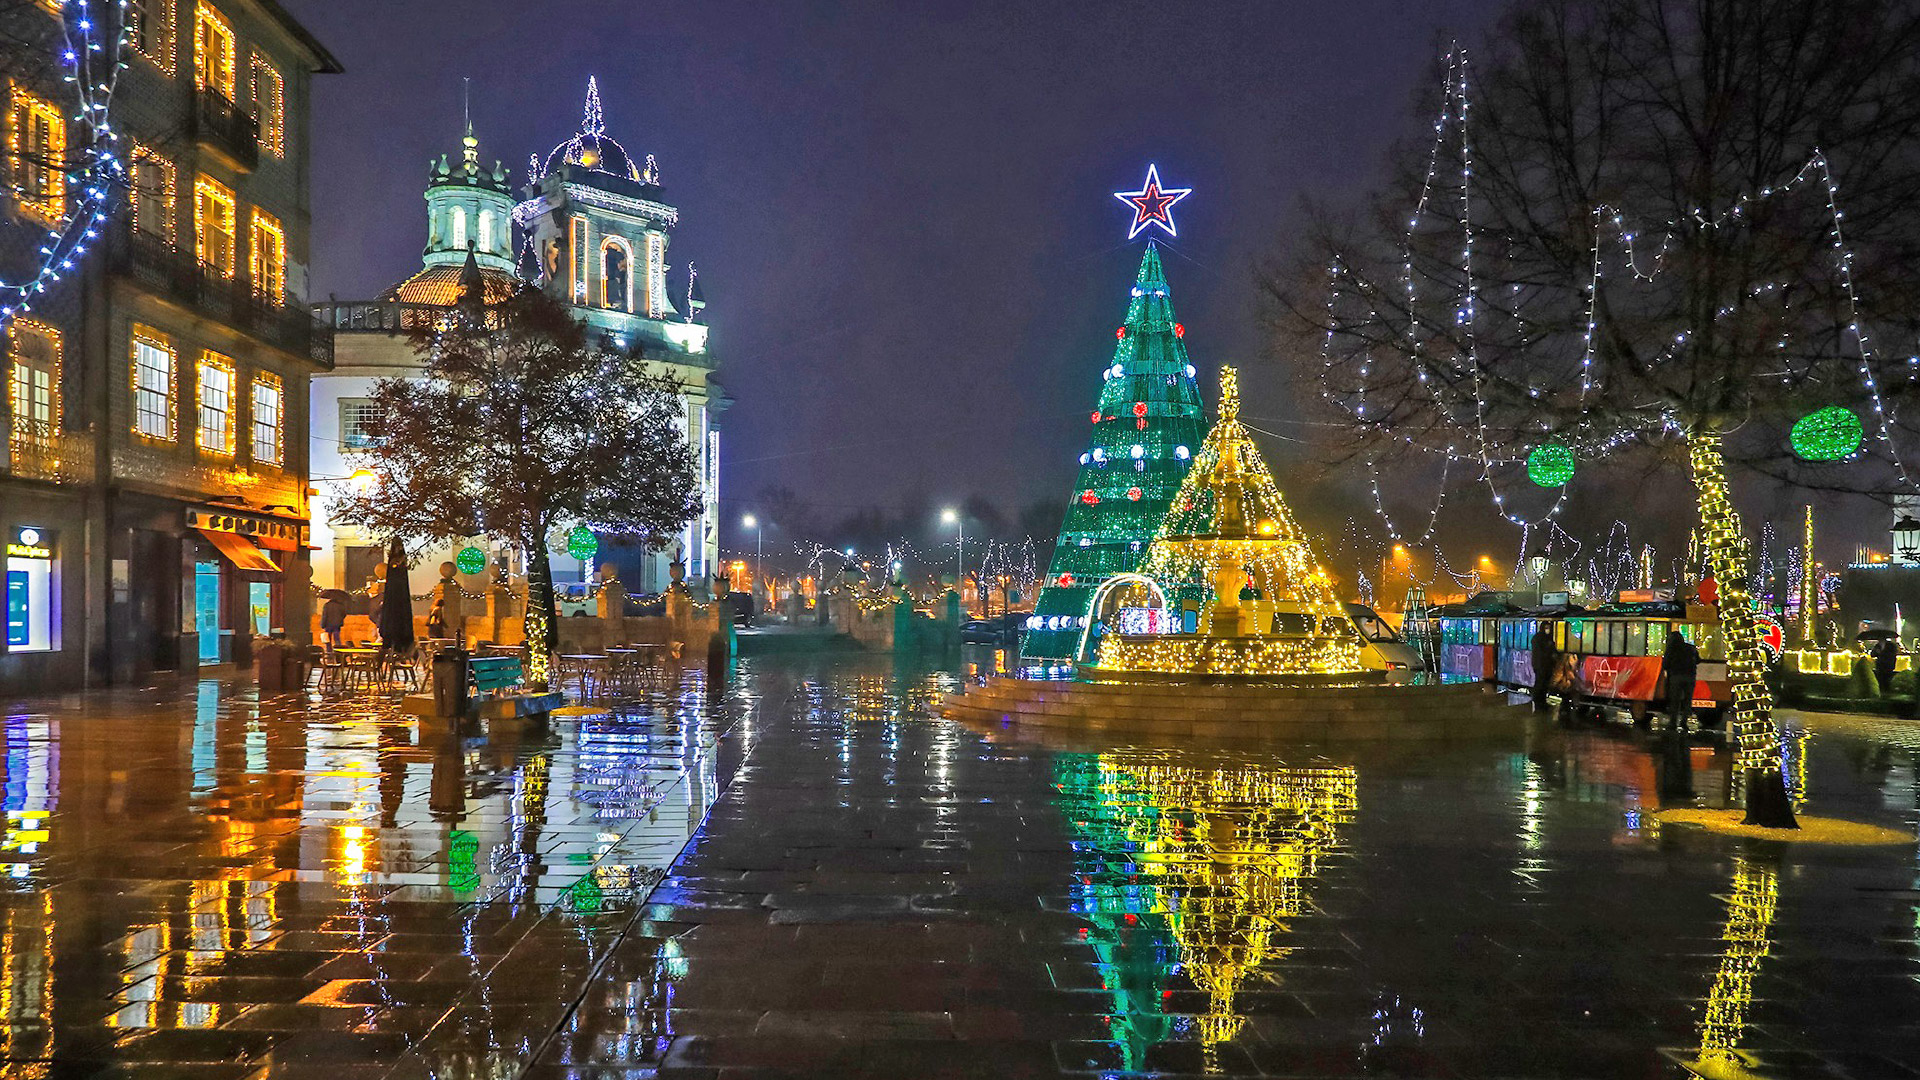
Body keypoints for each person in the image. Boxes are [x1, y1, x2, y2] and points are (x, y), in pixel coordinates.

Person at [1662, 629, 1701, 736]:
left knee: (1675, 700)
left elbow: (1665, 664)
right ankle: (1684, 722)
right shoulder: (1691, 648)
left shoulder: (1671, 649)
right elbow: (1698, 660)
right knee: (1687, 701)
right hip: (1690, 677)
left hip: (1676, 677)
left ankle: (1673, 722)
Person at [1529, 623, 1558, 713]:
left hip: (1546, 665)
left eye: (1548, 628)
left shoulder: (1547, 638)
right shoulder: (1538, 638)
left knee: (1544, 684)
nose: (1547, 629)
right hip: (1540, 665)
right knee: (1540, 683)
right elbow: (1541, 652)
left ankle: (1542, 702)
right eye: (1546, 628)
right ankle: (1538, 702)